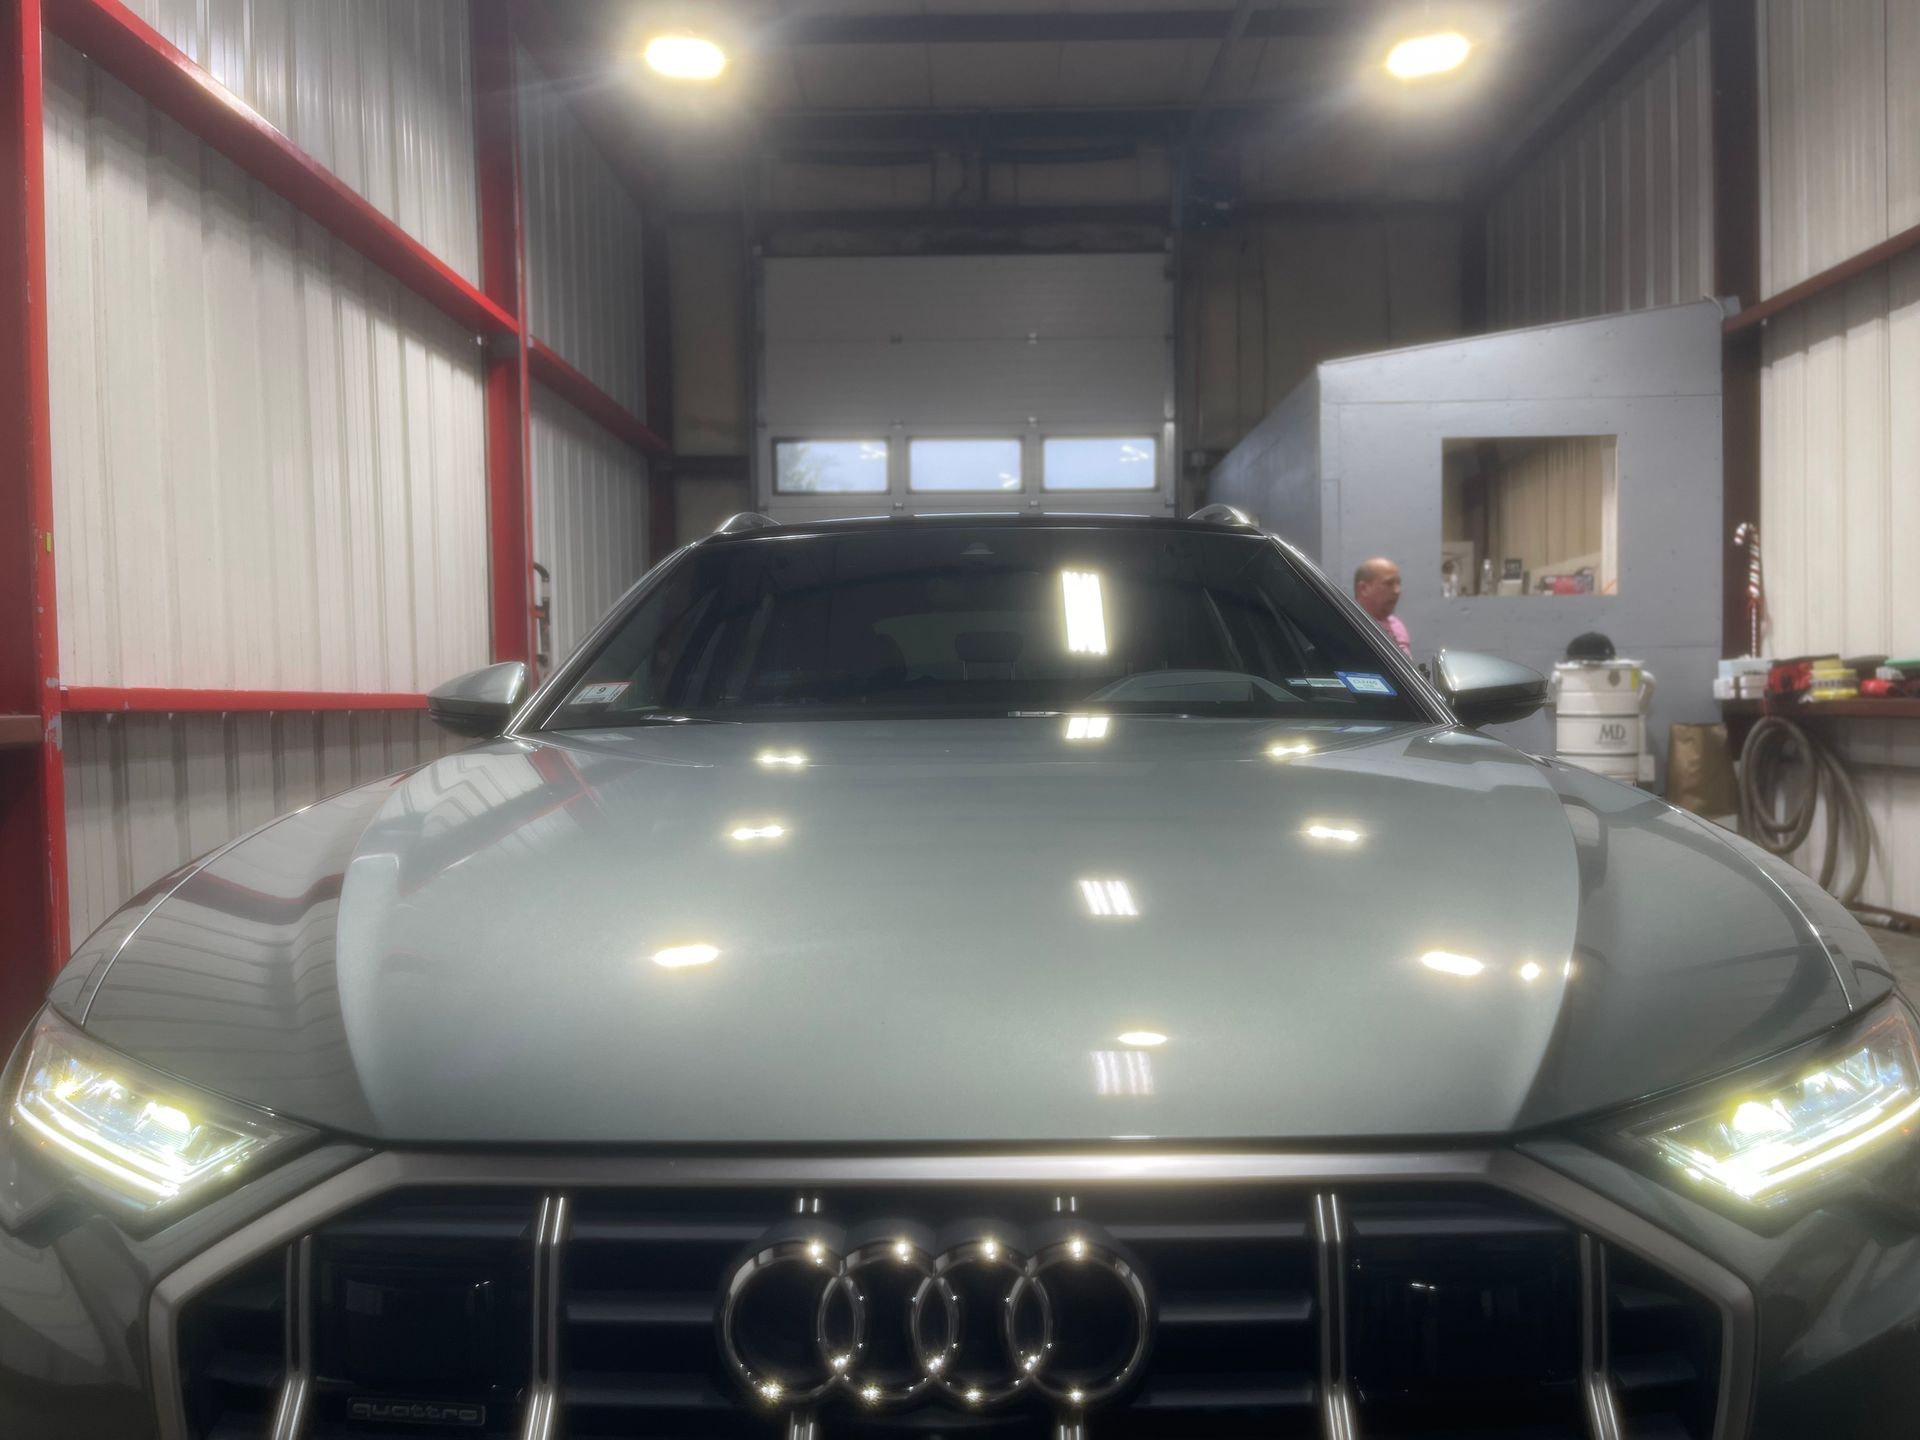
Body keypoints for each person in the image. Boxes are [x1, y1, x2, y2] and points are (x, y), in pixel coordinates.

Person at [1354, 557, 1410, 657]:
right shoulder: (1349, 624)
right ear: (1364, 589)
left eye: (1398, 583)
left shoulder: (1397, 626)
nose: (1397, 591)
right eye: (1389, 583)